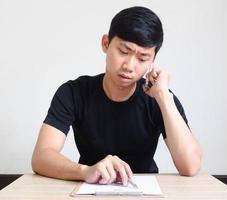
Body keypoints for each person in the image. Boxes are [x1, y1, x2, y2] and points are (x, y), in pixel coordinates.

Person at [31, 6, 202, 186]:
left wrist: (164, 97)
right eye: (123, 51)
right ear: (106, 43)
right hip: (91, 188)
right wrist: (85, 171)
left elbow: (190, 166)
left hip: (145, 192)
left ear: (152, 60)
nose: (129, 65)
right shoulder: (74, 92)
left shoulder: (160, 98)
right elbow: (41, 156)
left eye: (142, 58)